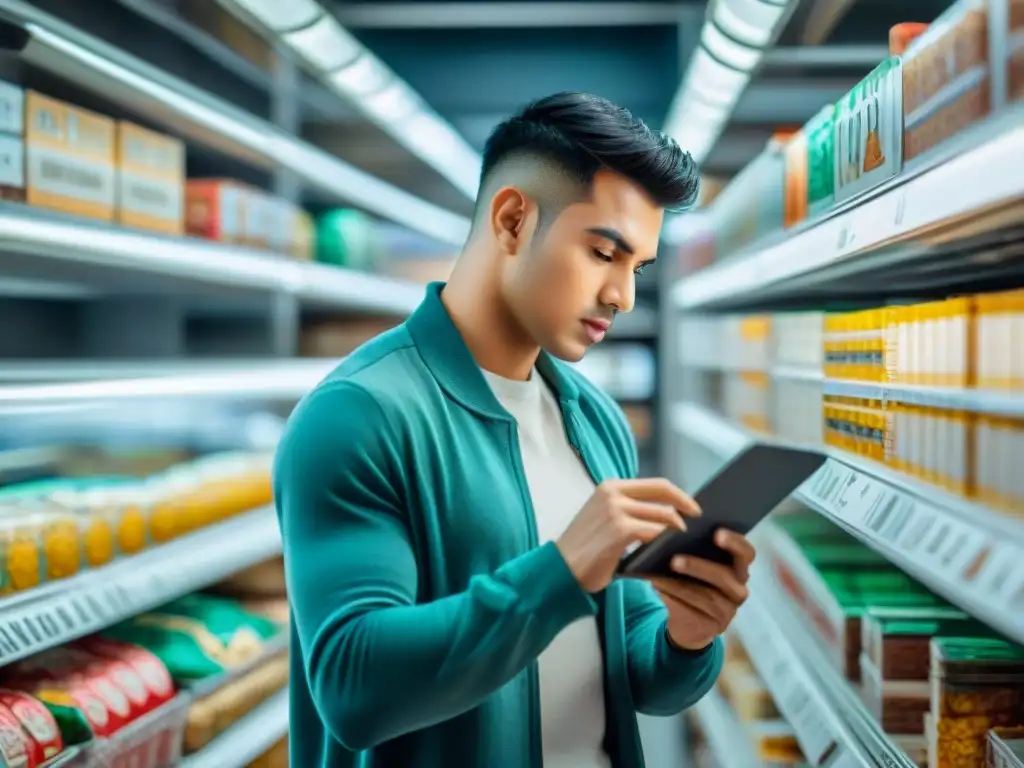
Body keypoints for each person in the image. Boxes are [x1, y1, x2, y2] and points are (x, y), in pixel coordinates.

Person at [274, 91, 756, 768]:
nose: (623, 296)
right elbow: (355, 690)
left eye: (637, 268)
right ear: (511, 220)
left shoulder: (595, 420)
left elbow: (628, 669)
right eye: (602, 253)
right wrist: (562, 571)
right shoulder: (358, 415)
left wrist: (687, 636)